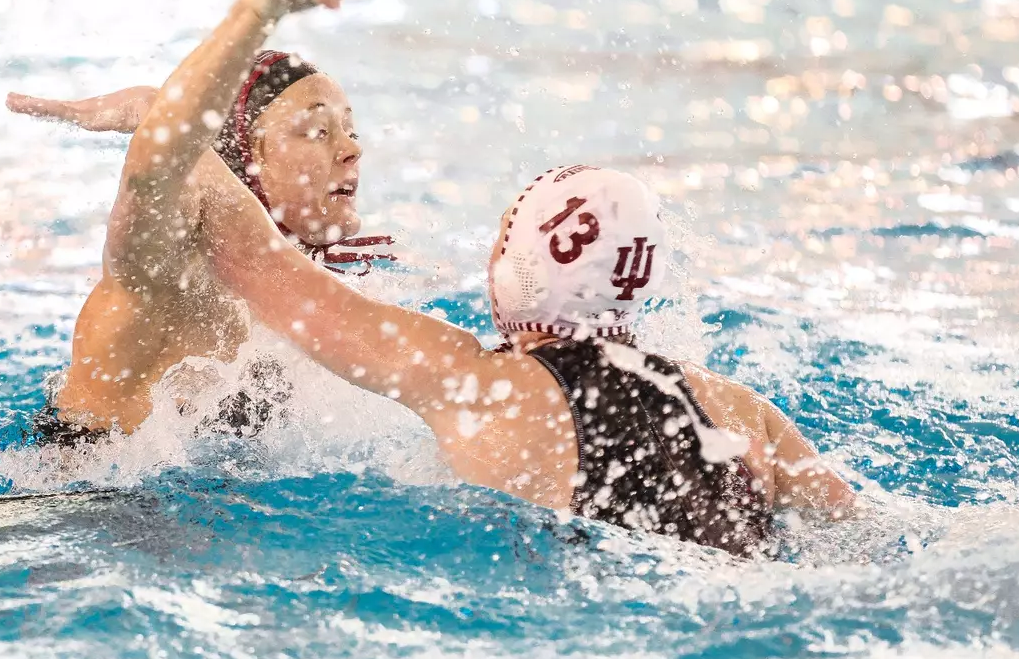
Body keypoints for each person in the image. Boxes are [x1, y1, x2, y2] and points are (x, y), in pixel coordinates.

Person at [196, 155, 856, 554]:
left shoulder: (475, 381)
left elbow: (257, 269)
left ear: (522, 268)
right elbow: (854, 532)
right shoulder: (743, 410)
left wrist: (165, 122)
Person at [16, 0, 390, 446]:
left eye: (349, 129)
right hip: (83, 510)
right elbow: (159, 170)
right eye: (317, 131)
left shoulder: (301, 287)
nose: (351, 149)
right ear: (247, 156)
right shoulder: (171, 273)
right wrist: (154, 109)